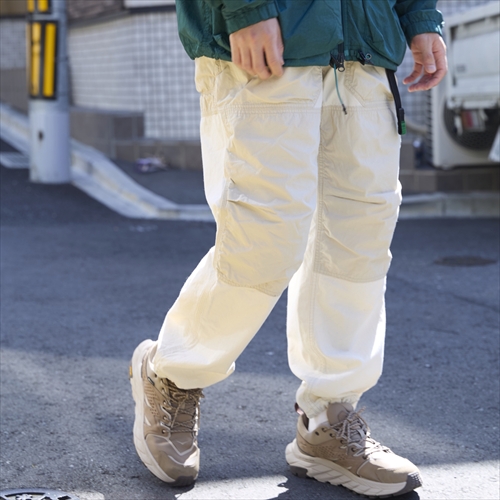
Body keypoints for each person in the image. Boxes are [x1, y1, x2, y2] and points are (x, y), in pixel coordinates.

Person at [129, 1, 447, 496]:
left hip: (366, 46)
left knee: (358, 243)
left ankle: (327, 417)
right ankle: (172, 371)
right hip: (269, 39)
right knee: (265, 238)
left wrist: (420, 15)